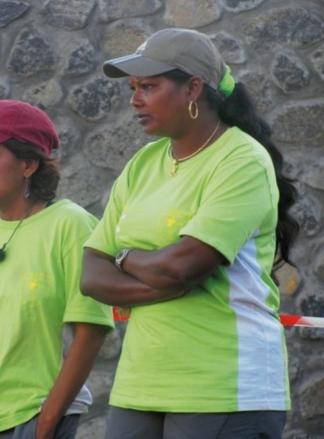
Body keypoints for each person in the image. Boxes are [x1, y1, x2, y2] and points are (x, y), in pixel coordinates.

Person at [80, 28, 299, 439]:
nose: (135, 99)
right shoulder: (143, 163)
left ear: (193, 89)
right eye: (133, 87)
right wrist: (158, 274)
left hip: (225, 387)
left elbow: (184, 266)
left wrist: (126, 258)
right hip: (140, 384)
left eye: (149, 86)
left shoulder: (241, 159)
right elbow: (91, 275)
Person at [0, 99, 114, 439]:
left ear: (29, 164)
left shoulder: (70, 224)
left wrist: (45, 424)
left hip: (30, 420)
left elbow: (90, 331)